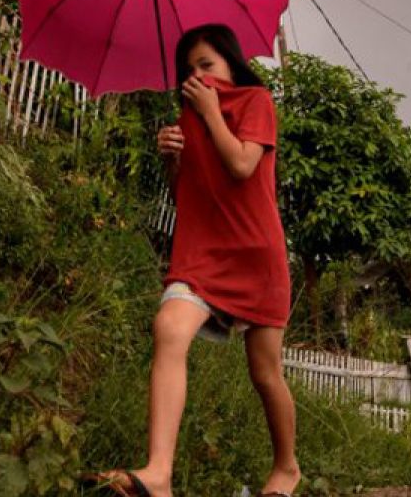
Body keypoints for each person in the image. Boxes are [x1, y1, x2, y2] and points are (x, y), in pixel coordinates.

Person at [95, 24, 299, 497]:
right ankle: (158, 474)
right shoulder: (186, 118)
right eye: (190, 70)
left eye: (207, 64)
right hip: (202, 256)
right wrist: (172, 161)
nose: (199, 76)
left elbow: (242, 166)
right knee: (169, 326)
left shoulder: (255, 102)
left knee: (265, 374)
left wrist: (211, 114)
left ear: (230, 63)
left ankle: (287, 468)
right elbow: (189, 201)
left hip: (256, 256)